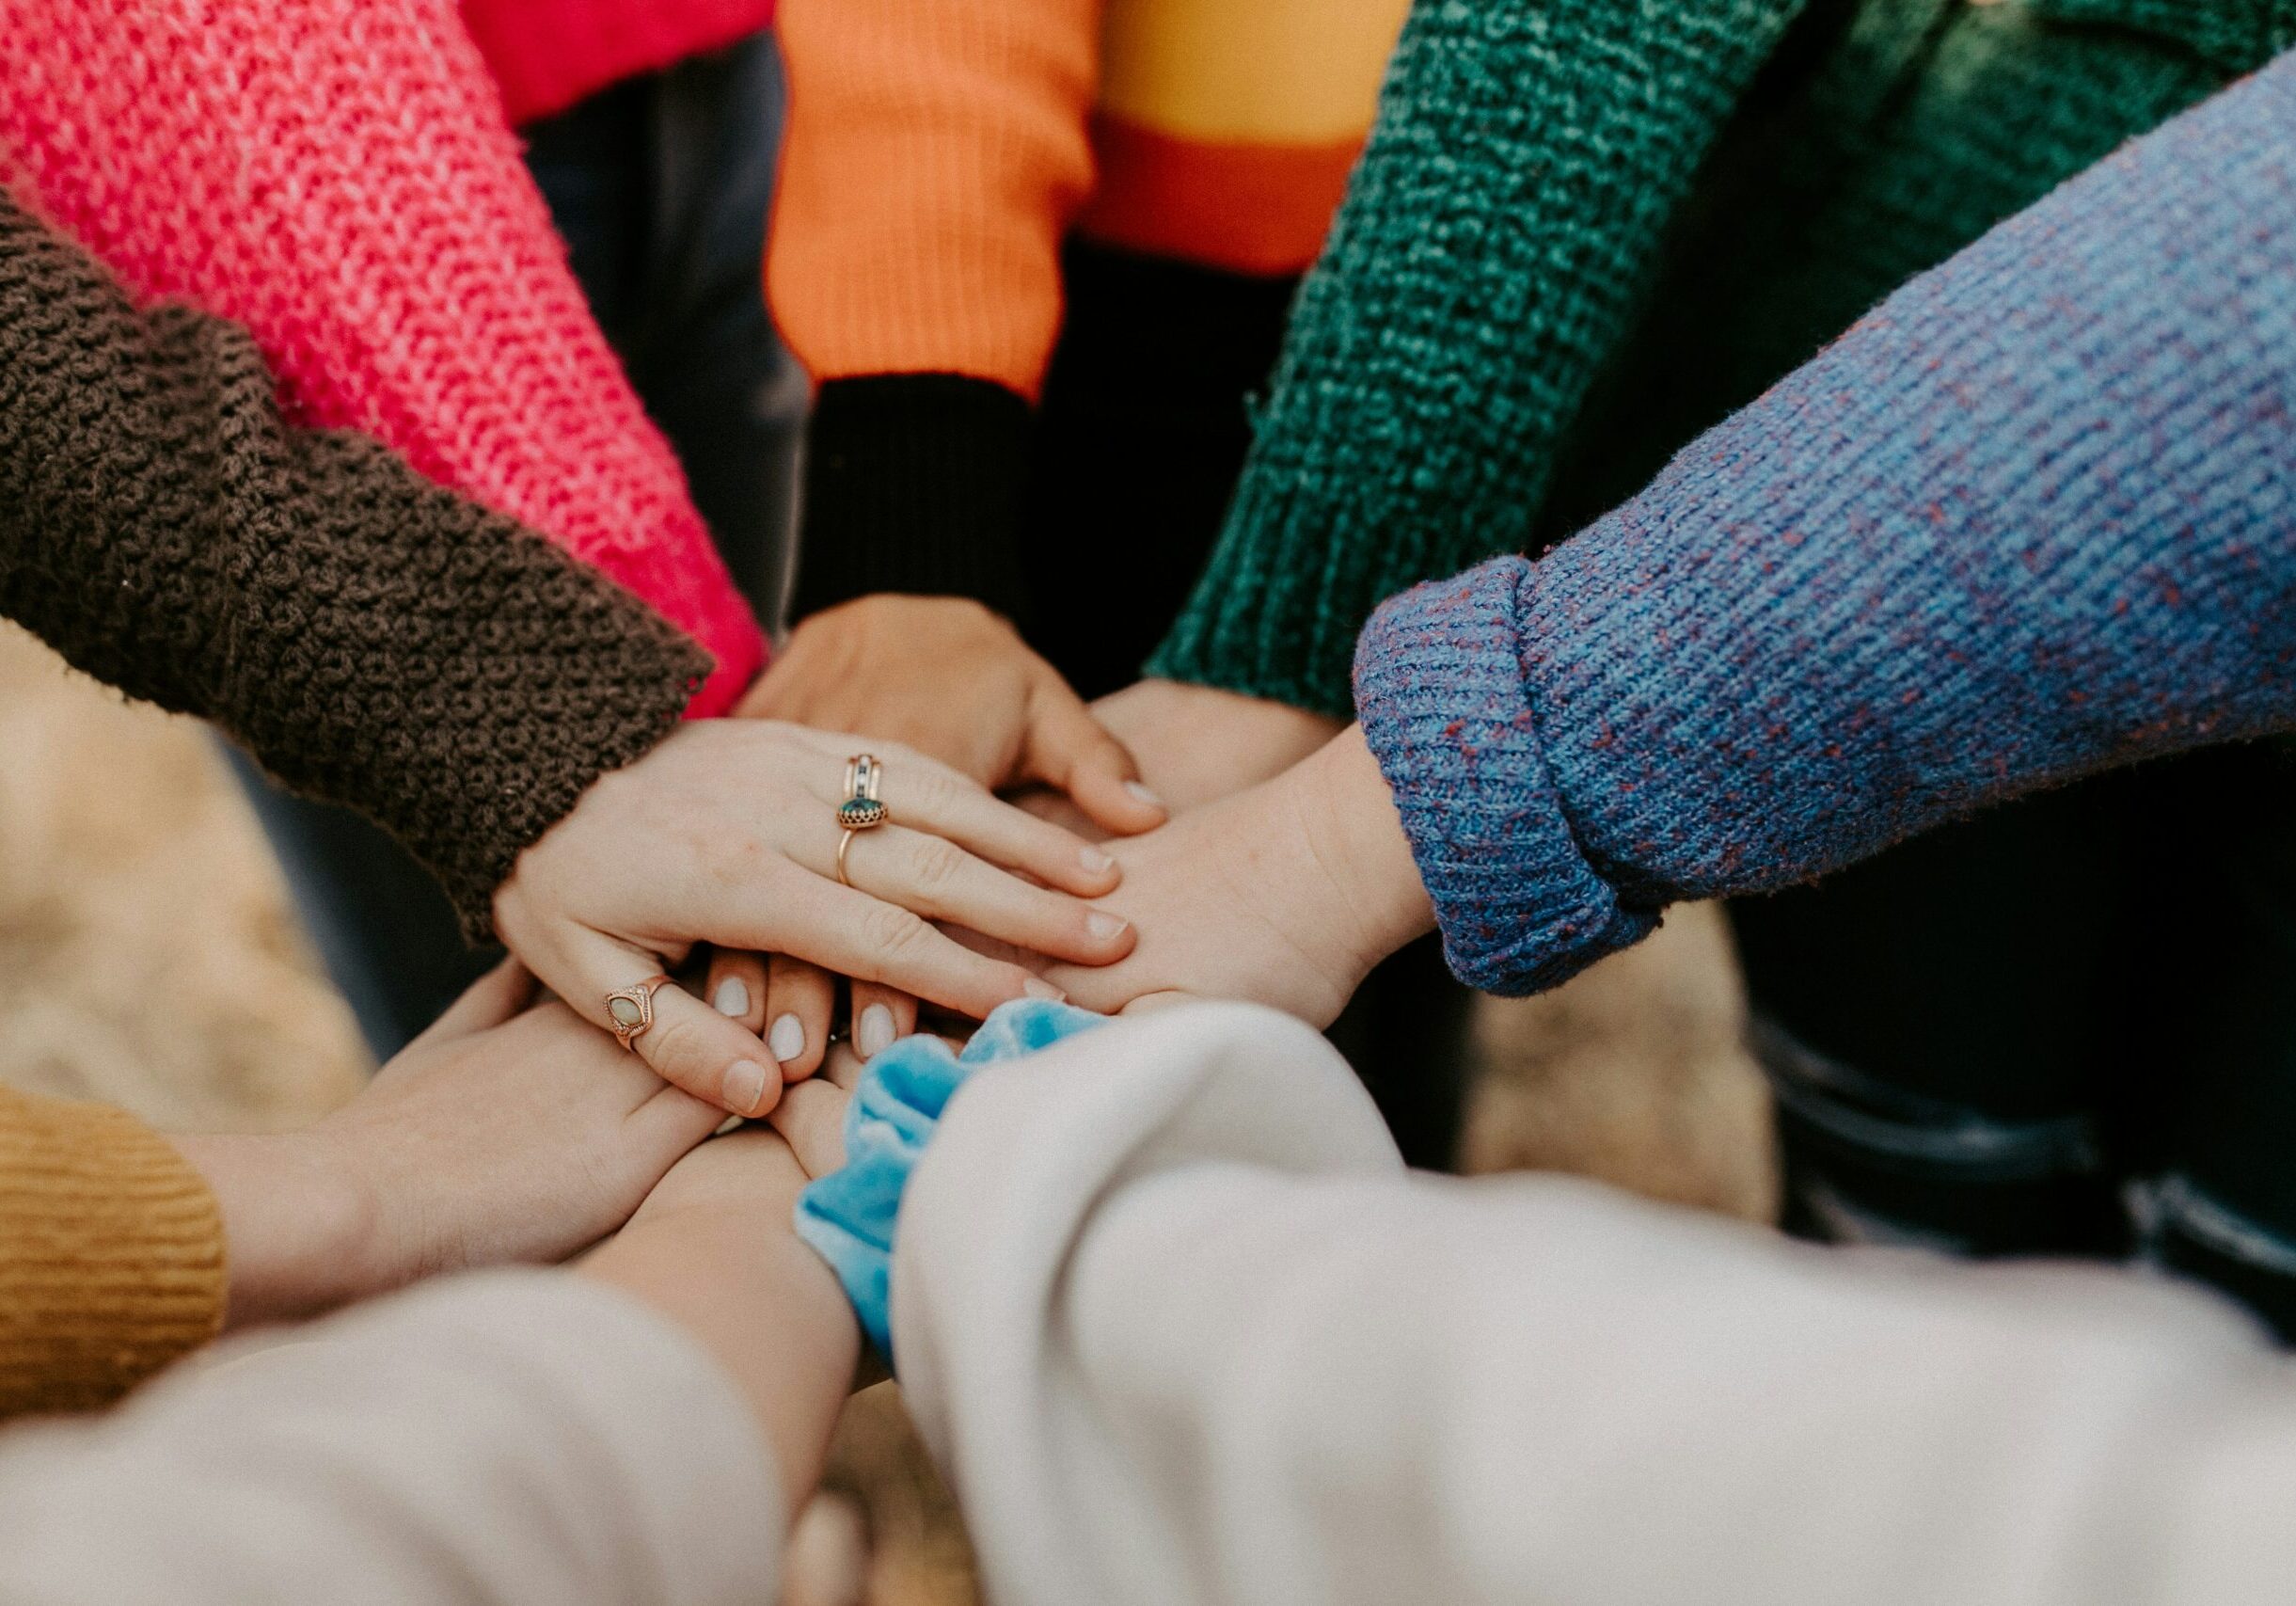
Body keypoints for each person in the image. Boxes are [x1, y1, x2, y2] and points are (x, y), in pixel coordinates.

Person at [1028, 38, 2296, 1332]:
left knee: (2244, 1333)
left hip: (1842, 560)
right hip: (1860, 574)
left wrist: (1364, 815)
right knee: (1918, 1248)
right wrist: (1284, 654)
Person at [0, 184, 1124, 1122]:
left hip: (724, 92)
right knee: (585, 1114)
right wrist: (494, 700)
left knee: (761, 904)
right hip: (274, 268)